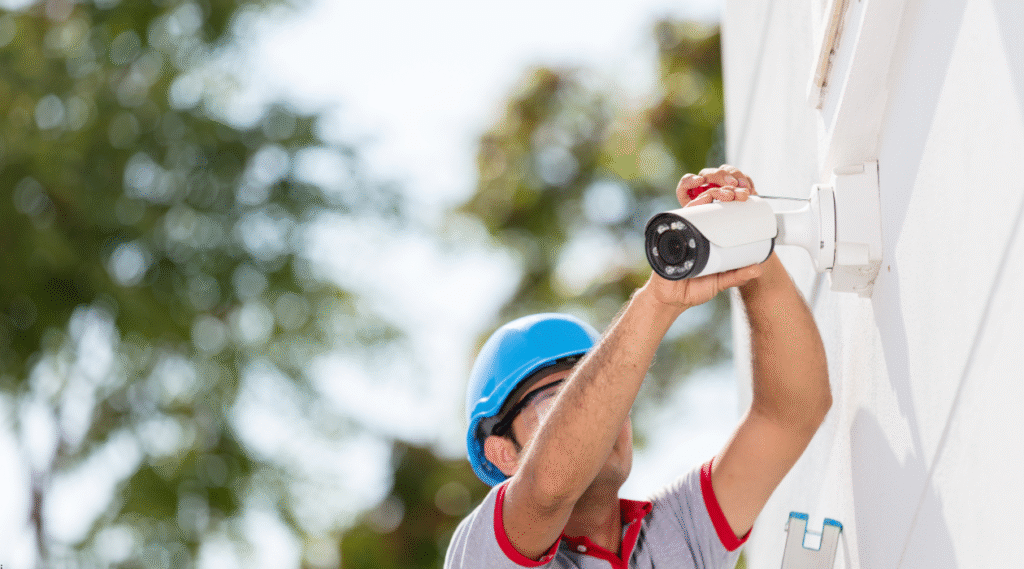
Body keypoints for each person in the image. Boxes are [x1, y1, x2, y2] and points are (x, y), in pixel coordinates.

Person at [445, 165, 832, 568]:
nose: (603, 421)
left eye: (610, 399)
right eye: (557, 405)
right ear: (503, 453)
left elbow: (790, 414)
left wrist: (747, 244)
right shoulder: (484, 554)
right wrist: (660, 299)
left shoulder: (677, 531)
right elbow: (548, 488)